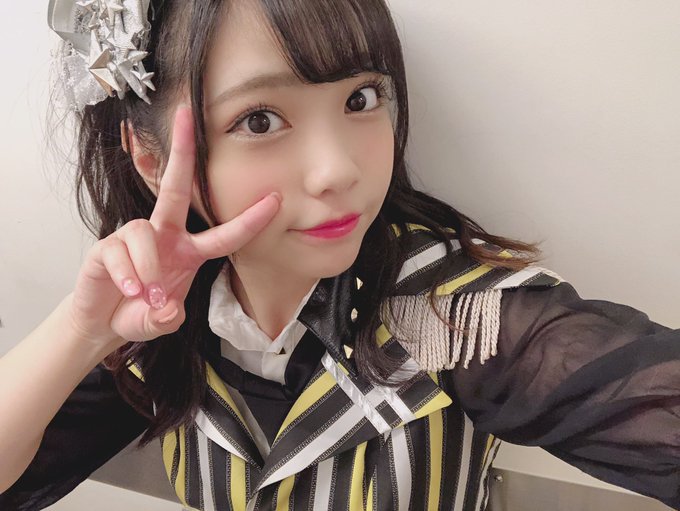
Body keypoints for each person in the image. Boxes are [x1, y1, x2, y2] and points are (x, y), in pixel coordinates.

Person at [1, 0, 678, 509]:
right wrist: (83, 331)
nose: (338, 170)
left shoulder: (454, 315)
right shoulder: (163, 319)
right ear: (150, 160)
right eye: (260, 120)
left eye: (361, 98)